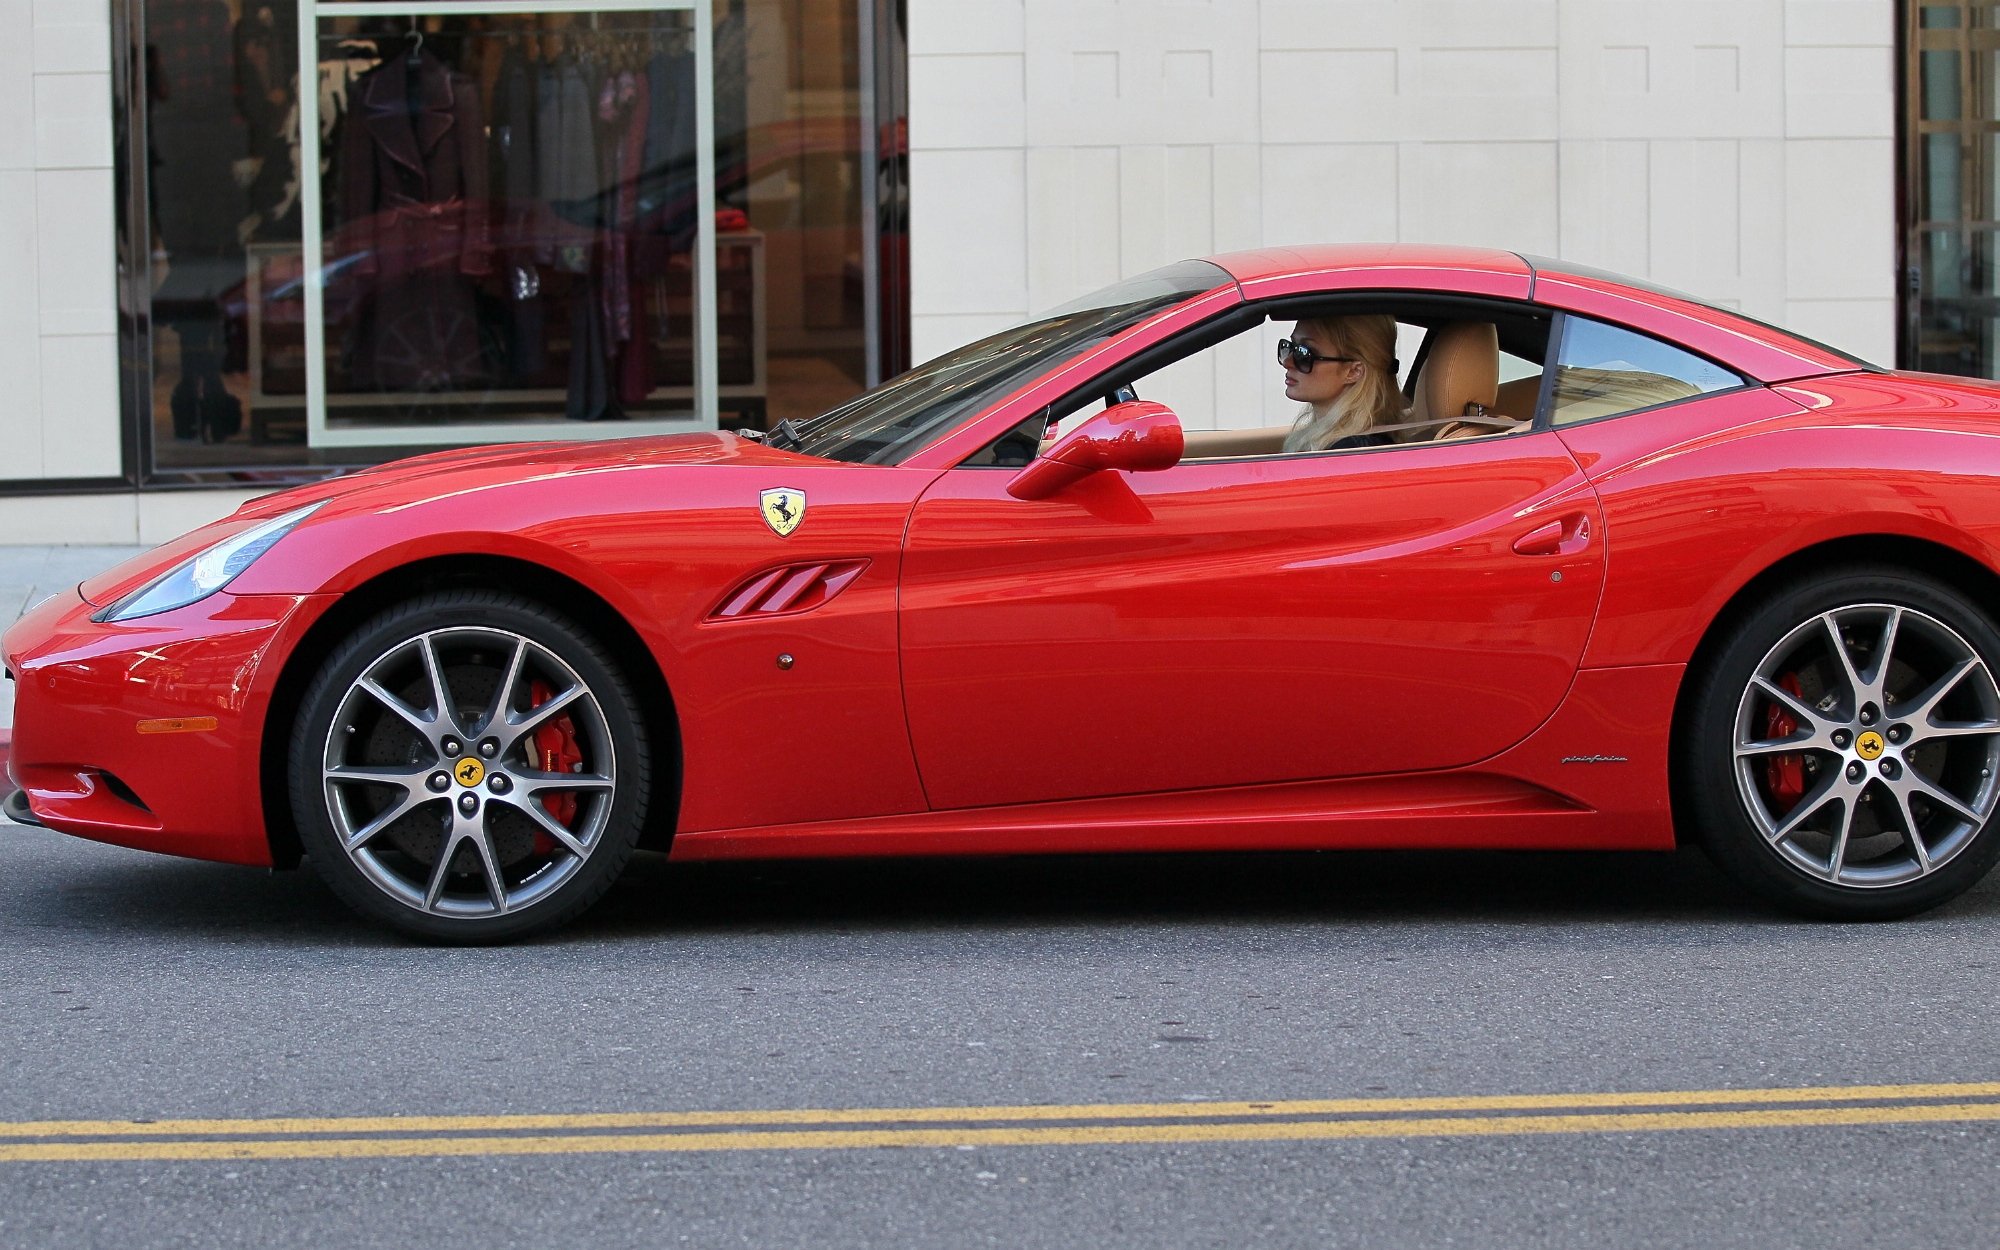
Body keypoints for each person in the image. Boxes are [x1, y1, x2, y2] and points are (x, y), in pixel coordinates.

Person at [1278, 314, 1404, 452]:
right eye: (1291, 347)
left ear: (1353, 371)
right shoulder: (1343, 444)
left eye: (1304, 353)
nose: (1287, 362)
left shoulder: (1353, 452)